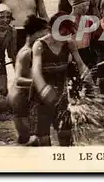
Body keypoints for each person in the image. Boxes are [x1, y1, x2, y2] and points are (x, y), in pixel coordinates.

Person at [27, 12, 92, 146]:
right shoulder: (39, 45)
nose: (66, 37)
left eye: (68, 34)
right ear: (50, 30)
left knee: (66, 136)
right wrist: (44, 90)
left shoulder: (70, 44)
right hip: (40, 97)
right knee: (44, 139)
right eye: (62, 33)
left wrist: (89, 80)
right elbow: (36, 70)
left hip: (61, 95)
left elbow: (80, 64)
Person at [8, 15, 50, 144]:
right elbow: (19, 80)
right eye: (45, 33)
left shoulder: (37, 50)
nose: (48, 36)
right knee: (26, 140)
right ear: (35, 33)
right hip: (20, 100)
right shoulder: (26, 53)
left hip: (31, 98)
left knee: (39, 138)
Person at [0, 6, 18, 96]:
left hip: (0, 62)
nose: (5, 20)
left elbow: (11, 52)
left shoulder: (12, 31)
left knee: (4, 91)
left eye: (8, 17)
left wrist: (17, 66)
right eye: (2, 17)